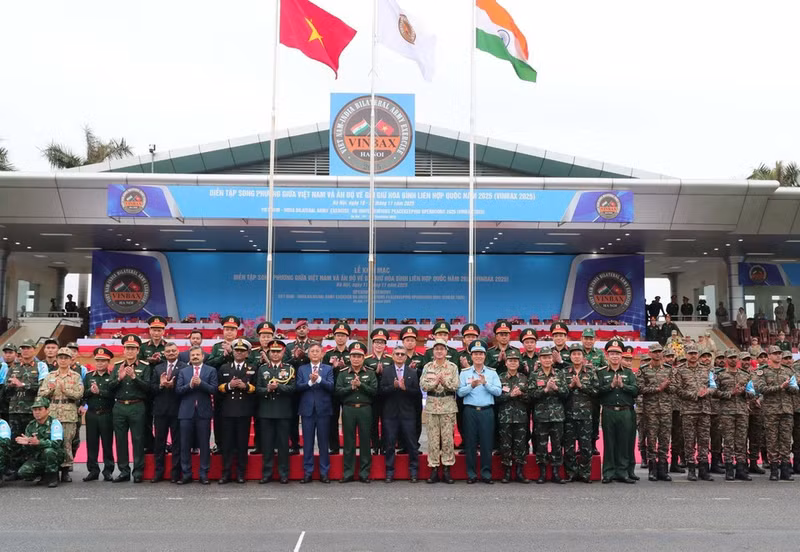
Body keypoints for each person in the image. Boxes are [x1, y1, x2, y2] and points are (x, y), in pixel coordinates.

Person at [108, 334, 152, 483]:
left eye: (133, 348)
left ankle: (138, 471)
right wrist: (119, 378)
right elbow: (110, 387)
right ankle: (123, 471)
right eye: (127, 348)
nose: (130, 351)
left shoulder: (145, 367)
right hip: (120, 406)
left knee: (138, 439)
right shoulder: (117, 366)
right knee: (120, 440)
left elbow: (148, 388)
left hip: (137, 405)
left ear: (138, 350)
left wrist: (134, 377)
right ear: (123, 350)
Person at [37, 347, 83, 483]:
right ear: (56, 360)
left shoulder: (76, 376)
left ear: (70, 360)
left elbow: (79, 394)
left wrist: (66, 390)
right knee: (52, 441)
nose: (63, 360)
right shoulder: (50, 376)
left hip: (68, 412)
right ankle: (52, 470)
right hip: (52, 412)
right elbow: (41, 392)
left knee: (67, 443)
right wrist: (50, 390)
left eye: (66, 358)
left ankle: (65, 471)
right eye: (61, 357)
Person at [458, 340, 501, 484]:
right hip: (470, 411)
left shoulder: (491, 373)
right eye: (475, 354)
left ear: (485, 356)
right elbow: (459, 393)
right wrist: (471, 385)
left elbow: (498, 391)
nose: (478, 356)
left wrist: (486, 384)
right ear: (471, 356)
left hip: (487, 411)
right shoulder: (464, 373)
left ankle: (486, 473)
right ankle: (471, 474)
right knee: (470, 444)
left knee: (486, 443)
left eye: (481, 354)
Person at [597, 338, 638, 484]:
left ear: (621, 356)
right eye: (612, 354)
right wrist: (611, 386)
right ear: (607, 356)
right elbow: (597, 391)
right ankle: (608, 472)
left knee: (624, 442)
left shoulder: (628, 372)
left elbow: (635, 390)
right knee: (609, 442)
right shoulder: (601, 373)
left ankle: (622, 471)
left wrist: (623, 386)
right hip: (608, 411)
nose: (614, 356)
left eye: (617, 354)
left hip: (625, 411)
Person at [753, 345, 797, 481]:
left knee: (785, 440)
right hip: (772, 411)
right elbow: (761, 388)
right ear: (769, 356)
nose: (778, 356)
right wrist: (780, 387)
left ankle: (785, 469)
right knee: (772, 440)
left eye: (779, 353)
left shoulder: (788, 371)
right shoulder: (763, 372)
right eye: (775, 354)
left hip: (787, 410)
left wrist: (789, 387)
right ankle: (774, 469)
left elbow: (795, 389)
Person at [335, 342, 377, 483]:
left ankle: (364, 473)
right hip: (349, 409)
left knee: (365, 441)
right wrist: (351, 388)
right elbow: (338, 391)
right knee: (349, 442)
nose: (356, 359)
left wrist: (361, 385)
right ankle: (348, 472)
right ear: (349, 357)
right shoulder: (343, 373)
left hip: (365, 409)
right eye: (353, 356)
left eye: (359, 356)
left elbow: (374, 392)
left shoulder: (370, 373)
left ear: (363, 358)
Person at [217, 338, 257, 484]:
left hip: (243, 411)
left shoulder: (252, 367)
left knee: (242, 444)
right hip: (227, 410)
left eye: (242, 351)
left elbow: (256, 387)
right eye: (236, 350)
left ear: (247, 353)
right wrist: (229, 385)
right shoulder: (224, 368)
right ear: (232, 352)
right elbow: (218, 388)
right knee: (227, 444)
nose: (239, 353)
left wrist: (245, 386)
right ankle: (225, 473)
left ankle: (241, 473)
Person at [256, 339, 296, 484]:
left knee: (283, 445)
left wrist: (278, 387)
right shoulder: (262, 369)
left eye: (278, 352)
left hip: (283, 412)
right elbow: (257, 389)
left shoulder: (289, 368)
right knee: (267, 445)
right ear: (268, 352)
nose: (275, 354)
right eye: (272, 351)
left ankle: (283, 473)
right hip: (266, 411)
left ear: (282, 353)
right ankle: (267, 474)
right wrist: (267, 389)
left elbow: (292, 389)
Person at [176, 345, 218, 485]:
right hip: (186, 413)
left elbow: (213, 389)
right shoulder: (183, 371)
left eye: (197, 355)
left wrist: (201, 383)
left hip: (203, 412)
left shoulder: (211, 370)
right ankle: (186, 473)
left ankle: (203, 474)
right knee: (185, 444)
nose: (195, 357)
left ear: (203, 356)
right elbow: (178, 391)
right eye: (192, 355)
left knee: (204, 444)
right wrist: (190, 385)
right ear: (189, 357)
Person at [420, 338, 459, 484]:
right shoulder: (428, 366)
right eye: (436, 349)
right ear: (433, 351)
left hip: (448, 405)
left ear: (446, 351)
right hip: (432, 406)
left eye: (442, 349)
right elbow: (423, 385)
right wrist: (435, 383)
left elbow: (456, 385)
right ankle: (434, 469)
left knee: (448, 439)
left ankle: (447, 469)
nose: (439, 351)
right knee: (433, 439)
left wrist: (445, 383)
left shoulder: (453, 367)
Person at [381, 346, 421, 483]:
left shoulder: (412, 372)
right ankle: (389, 472)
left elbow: (417, 394)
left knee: (412, 444)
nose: (399, 356)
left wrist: (405, 389)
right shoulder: (386, 372)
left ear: (406, 357)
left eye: (402, 354)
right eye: (397, 354)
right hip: (390, 414)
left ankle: (414, 472)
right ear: (392, 356)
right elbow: (380, 392)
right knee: (390, 444)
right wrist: (394, 387)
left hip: (408, 413)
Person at [674, 345, 714, 481]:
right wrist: (695, 395)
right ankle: (691, 468)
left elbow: (713, 386)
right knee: (689, 440)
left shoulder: (707, 369)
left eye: (695, 353)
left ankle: (703, 469)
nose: (693, 356)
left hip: (704, 409)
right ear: (686, 355)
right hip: (689, 410)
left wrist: (708, 391)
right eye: (690, 353)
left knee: (704, 440)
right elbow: (677, 390)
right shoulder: (680, 370)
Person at [528, 346, 568, 484]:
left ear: (553, 359)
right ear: (539, 359)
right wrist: (545, 390)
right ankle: (542, 473)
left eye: (549, 357)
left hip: (557, 416)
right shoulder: (534, 375)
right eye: (544, 357)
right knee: (541, 446)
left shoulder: (559, 374)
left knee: (557, 445)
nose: (546, 360)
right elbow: (531, 396)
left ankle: (556, 473)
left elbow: (566, 394)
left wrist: (556, 389)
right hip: (541, 417)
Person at [296, 341, 334, 483]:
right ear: (308, 354)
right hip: (307, 410)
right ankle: (308, 472)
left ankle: (324, 472)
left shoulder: (328, 369)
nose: (315, 354)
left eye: (317, 351)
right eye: (312, 351)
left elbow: (331, 387)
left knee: (324, 442)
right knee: (308, 443)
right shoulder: (302, 369)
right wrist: (310, 383)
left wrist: (318, 379)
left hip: (323, 409)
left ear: (322, 353)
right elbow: (298, 387)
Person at [636, 343, 672, 481]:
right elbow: (639, 389)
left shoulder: (669, 370)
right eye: (655, 352)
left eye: (659, 352)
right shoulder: (644, 370)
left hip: (665, 409)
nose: (657, 354)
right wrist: (657, 388)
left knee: (664, 440)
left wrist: (667, 387)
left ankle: (663, 469)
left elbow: (675, 387)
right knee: (651, 440)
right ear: (650, 353)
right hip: (650, 411)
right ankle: (652, 469)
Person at [150, 342, 185, 483]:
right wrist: (160, 385)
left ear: (178, 352)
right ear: (164, 353)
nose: (171, 353)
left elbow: (186, 388)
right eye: (168, 351)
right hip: (160, 411)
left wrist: (173, 385)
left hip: (177, 410)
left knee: (177, 443)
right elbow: (151, 388)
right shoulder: (158, 368)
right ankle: (158, 472)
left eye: (173, 351)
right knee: (159, 443)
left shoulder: (185, 367)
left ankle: (175, 474)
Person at [206, 315, 241, 455]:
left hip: (239, 385)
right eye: (227, 329)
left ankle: (236, 445)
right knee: (219, 417)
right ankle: (219, 444)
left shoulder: (242, 344)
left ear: (237, 331)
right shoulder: (217, 347)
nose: (229, 332)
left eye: (232, 329)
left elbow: (249, 360)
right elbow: (210, 363)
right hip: (221, 386)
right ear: (223, 330)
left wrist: (232, 352)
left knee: (238, 417)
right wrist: (224, 356)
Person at [563, 344, 598, 484]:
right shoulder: (565, 372)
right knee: (569, 446)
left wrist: (581, 387)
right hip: (569, 414)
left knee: (585, 446)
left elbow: (596, 391)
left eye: (579, 354)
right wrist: (571, 386)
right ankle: (571, 473)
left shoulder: (590, 371)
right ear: (570, 357)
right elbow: (560, 392)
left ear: (583, 357)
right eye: (574, 354)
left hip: (585, 415)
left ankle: (584, 473)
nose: (576, 357)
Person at [716, 349, 752, 481]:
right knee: (729, 441)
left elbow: (752, 393)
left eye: (734, 357)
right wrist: (730, 393)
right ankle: (729, 468)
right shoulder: (720, 375)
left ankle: (741, 469)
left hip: (742, 411)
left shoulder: (745, 375)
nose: (732, 360)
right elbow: (714, 393)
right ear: (726, 359)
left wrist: (744, 392)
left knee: (741, 441)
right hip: (727, 412)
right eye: (730, 358)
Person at [14, 397, 65, 487]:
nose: (37, 412)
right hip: (38, 456)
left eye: (40, 409)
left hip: (55, 455)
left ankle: (53, 476)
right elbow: (28, 449)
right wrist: (27, 443)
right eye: (35, 410)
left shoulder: (54, 423)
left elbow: (57, 444)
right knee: (23, 472)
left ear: (47, 410)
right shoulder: (31, 425)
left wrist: (39, 442)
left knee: (49, 451)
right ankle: (44, 474)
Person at [82, 347, 116, 482]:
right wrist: (90, 391)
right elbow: (83, 393)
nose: (100, 363)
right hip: (92, 414)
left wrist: (99, 392)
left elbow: (114, 394)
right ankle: (93, 470)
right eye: (98, 361)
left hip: (106, 414)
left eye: (103, 361)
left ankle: (108, 470)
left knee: (107, 443)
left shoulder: (112, 376)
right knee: (92, 443)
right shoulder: (89, 376)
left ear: (108, 362)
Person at [323, 321, 351, 455]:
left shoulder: (352, 353)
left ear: (347, 337)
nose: (340, 337)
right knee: (332, 419)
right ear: (334, 336)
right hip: (332, 391)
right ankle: (333, 446)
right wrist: (333, 368)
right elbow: (323, 373)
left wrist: (346, 367)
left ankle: (348, 446)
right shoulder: (328, 354)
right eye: (338, 335)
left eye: (343, 335)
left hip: (348, 391)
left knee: (348, 421)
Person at [365, 328, 393, 456]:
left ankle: (385, 446)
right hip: (373, 395)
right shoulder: (367, 359)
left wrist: (384, 374)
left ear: (385, 344)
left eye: (382, 342)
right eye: (377, 342)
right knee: (373, 422)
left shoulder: (391, 359)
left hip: (387, 396)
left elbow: (394, 376)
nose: (379, 345)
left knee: (387, 422)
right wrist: (374, 373)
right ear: (373, 343)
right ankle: (375, 445)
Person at [748, 350, 768, 474]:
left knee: (759, 437)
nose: (763, 359)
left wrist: (760, 399)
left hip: (766, 408)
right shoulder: (752, 373)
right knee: (746, 437)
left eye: (765, 357)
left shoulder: (772, 372)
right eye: (761, 357)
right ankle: (745, 462)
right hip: (751, 408)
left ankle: (756, 462)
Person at [709, 350, 726, 474]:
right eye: (719, 358)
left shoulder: (726, 373)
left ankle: (717, 461)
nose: (721, 360)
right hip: (703, 408)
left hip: (718, 409)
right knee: (703, 438)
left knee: (717, 437)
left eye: (722, 358)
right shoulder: (711, 372)